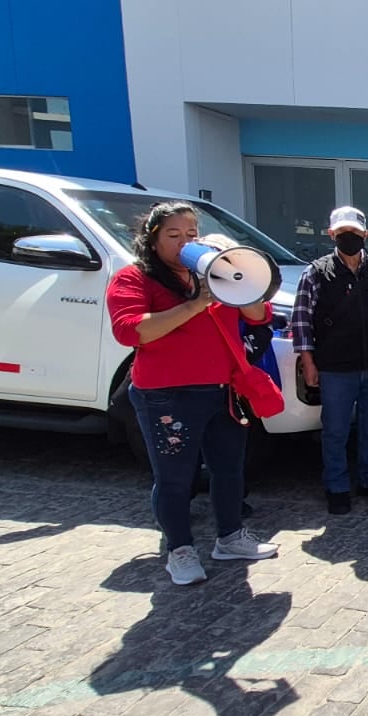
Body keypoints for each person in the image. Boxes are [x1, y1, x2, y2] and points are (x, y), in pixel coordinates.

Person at [106, 202, 279, 585]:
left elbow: (258, 315)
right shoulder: (135, 278)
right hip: (167, 395)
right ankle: (179, 550)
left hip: (222, 390)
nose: (184, 242)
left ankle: (230, 537)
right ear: (152, 240)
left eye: (191, 234)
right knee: (174, 478)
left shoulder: (209, 275)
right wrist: (195, 305)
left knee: (229, 469)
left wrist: (235, 278)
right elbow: (130, 330)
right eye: (174, 235)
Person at [290, 206, 368, 515]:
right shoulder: (316, 272)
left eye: (354, 232)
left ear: (366, 234)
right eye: (342, 233)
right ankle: (336, 486)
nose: (349, 237)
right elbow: (301, 319)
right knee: (335, 430)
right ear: (331, 234)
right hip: (335, 367)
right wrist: (308, 361)